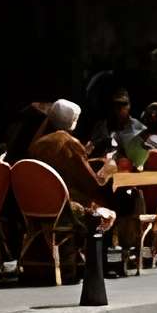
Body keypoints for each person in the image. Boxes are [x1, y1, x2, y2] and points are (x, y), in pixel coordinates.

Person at [25, 98, 120, 267]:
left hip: (36, 205)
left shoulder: (37, 143)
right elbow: (91, 183)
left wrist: (82, 152)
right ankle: (96, 263)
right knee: (103, 202)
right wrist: (108, 168)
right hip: (64, 206)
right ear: (72, 121)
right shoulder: (68, 143)